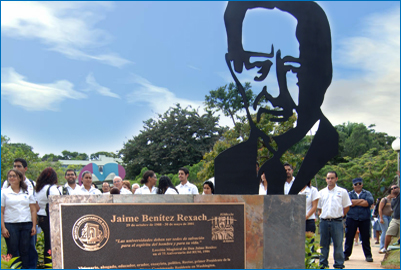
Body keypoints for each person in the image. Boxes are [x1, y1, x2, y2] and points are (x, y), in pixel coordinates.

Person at [215, 2, 338, 195]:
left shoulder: (326, 144)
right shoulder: (228, 164)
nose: (274, 93)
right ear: (235, 74)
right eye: (259, 69)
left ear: (321, 75)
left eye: (290, 68)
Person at [2, 158, 38, 269]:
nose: (11, 178)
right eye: (10, 176)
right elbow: (1, 211)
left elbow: (33, 209)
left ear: (20, 178)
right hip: (11, 224)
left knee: (26, 250)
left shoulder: (27, 191)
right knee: (12, 250)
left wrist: (33, 225)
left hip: (26, 224)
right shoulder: (4, 192)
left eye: (14, 176)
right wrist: (3, 228)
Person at [317, 171, 352, 269]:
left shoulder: (342, 191)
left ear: (336, 179)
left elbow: (346, 207)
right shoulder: (321, 192)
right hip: (324, 221)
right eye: (328, 178)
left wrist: (339, 215)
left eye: (332, 178)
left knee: (338, 244)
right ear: (326, 179)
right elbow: (319, 208)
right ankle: (323, 265)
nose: (330, 180)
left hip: (337, 221)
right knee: (323, 244)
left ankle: (339, 265)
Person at [343, 178, 374, 262]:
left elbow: (369, 202)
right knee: (349, 237)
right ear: (353, 186)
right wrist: (361, 201)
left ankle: (368, 255)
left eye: (359, 184)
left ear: (362, 184)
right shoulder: (349, 194)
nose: (358, 186)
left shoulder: (367, 193)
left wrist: (355, 202)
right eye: (356, 184)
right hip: (352, 218)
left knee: (365, 238)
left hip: (364, 218)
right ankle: (346, 254)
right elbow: (348, 203)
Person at [36, 167, 61, 265]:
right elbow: (57, 202)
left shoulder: (39, 188)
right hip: (51, 218)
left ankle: (47, 262)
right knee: (52, 243)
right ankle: (51, 262)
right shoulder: (52, 188)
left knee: (47, 242)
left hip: (41, 217)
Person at [381, 185, 400, 253]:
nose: (394, 189)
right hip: (395, 219)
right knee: (388, 232)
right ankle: (385, 248)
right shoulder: (393, 200)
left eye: (395, 188)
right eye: (392, 188)